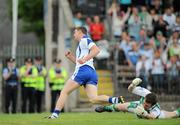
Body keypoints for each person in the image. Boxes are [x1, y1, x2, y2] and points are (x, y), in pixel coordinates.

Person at [48, 26, 124, 119]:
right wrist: (71, 57)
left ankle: (55, 115)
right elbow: (79, 62)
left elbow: (96, 50)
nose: (74, 34)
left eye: (75, 32)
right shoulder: (81, 44)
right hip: (91, 72)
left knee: (64, 92)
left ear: (80, 32)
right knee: (93, 99)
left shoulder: (84, 39)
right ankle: (115, 100)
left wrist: (85, 59)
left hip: (83, 71)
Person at [95, 78, 180, 119]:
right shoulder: (146, 93)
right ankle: (105, 108)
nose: (145, 104)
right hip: (138, 107)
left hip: (148, 114)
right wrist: (133, 84)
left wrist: (145, 114)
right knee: (120, 106)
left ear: (152, 105)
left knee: (173, 114)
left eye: (147, 105)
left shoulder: (156, 109)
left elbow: (152, 117)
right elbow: (130, 89)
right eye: (145, 102)